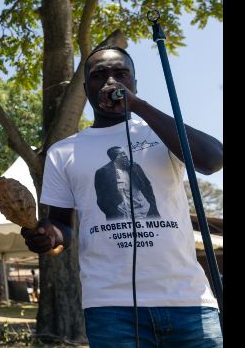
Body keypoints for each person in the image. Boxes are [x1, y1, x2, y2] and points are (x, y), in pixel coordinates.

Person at [21, 45, 223, 347]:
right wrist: (49, 236)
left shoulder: (161, 133)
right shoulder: (63, 152)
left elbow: (213, 159)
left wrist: (139, 106)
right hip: (111, 308)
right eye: (99, 75)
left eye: (120, 73)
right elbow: (63, 226)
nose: (110, 81)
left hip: (188, 300)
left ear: (134, 83)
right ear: (87, 89)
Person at [94, 146, 159, 220]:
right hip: (124, 214)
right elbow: (102, 199)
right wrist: (113, 213)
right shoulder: (103, 172)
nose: (124, 156)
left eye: (124, 153)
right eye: (120, 154)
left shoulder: (134, 166)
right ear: (113, 158)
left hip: (145, 209)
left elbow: (147, 187)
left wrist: (152, 207)